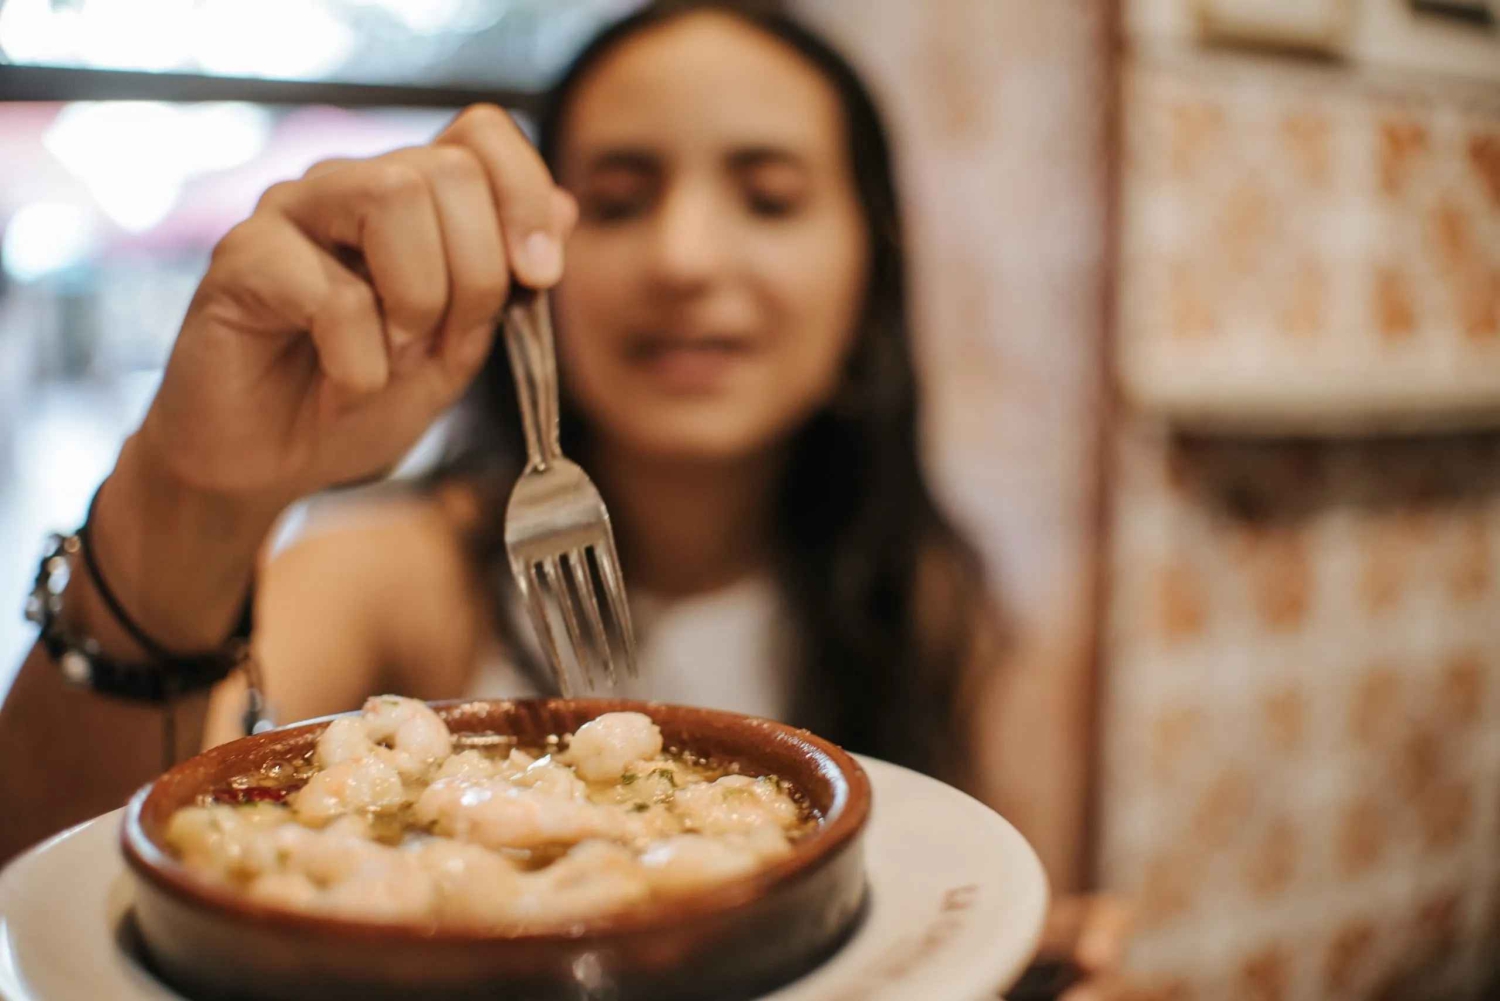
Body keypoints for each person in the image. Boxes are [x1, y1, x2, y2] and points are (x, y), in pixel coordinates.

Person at [0, 2, 1131, 995]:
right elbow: (60, 890)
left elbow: (955, 915)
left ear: (867, 275)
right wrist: (191, 492)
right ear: (530, 265)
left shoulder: (930, 598)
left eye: (770, 198)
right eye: (621, 201)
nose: (687, 256)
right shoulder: (389, 574)